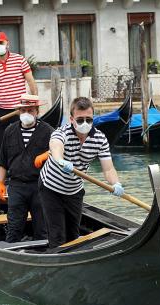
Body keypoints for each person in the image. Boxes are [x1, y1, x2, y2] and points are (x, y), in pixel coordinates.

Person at [37, 97, 125, 248]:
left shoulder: (100, 139)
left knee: (73, 236)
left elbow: (109, 169)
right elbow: (56, 145)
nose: (85, 124)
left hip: (75, 190)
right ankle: (58, 265)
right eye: (80, 120)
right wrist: (60, 160)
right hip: (51, 188)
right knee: (57, 235)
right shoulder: (62, 132)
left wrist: (115, 183)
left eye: (89, 120)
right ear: (71, 119)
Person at [0, 94, 53, 243]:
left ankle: (46, 258)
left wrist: (48, 153)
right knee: (14, 228)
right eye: (23, 111)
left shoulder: (48, 131)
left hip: (40, 186)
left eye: (30, 110)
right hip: (16, 186)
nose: (27, 114)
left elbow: (60, 150)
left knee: (42, 230)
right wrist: (0, 183)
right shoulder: (9, 131)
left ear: (37, 111)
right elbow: (2, 161)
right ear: (19, 112)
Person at [0, 31, 38, 162]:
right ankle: (1, 180)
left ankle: (23, 173)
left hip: (21, 110)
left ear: (7, 43)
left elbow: (31, 82)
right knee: (0, 146)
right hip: (0, 112)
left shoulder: (20, 60)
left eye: (0, 43)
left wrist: (34, 103)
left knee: (23, 143)